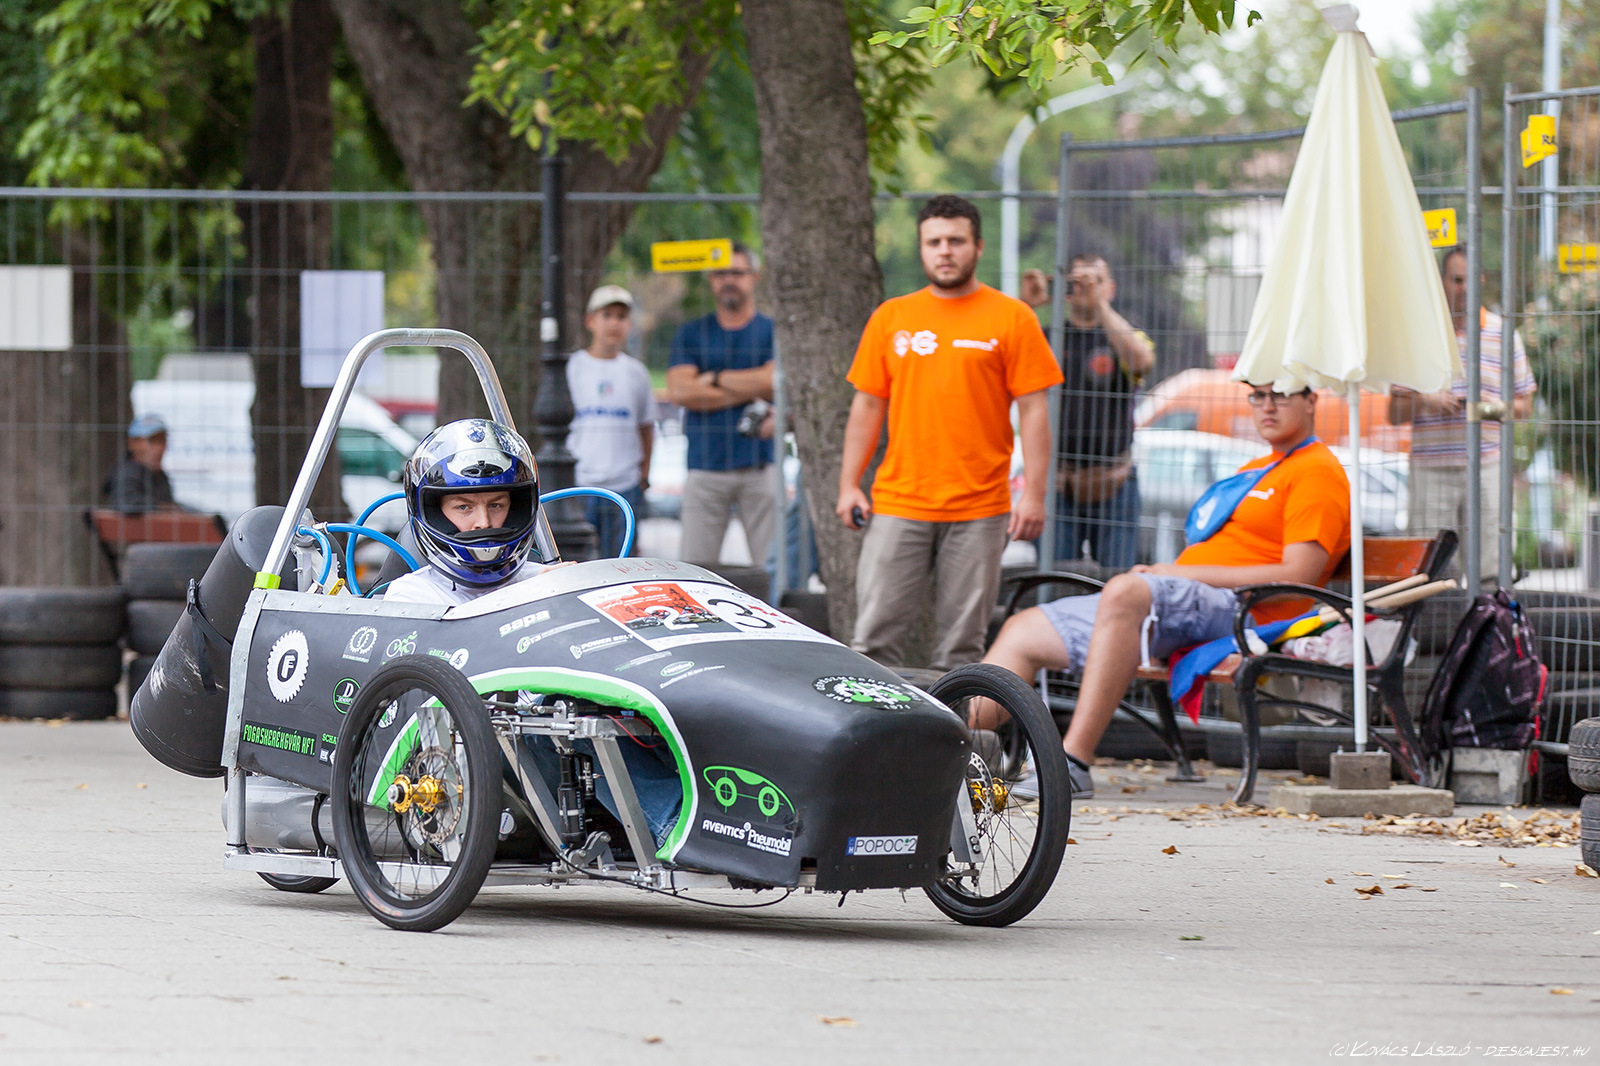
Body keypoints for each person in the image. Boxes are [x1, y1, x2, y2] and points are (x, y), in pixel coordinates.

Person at [976, 380, 1350, 798]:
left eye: (1279, 395)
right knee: (1024, 629)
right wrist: (1169, 576)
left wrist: (1176, 574)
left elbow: (1296, 578)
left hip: (1245, 613)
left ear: (1311, 401)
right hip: (1185, 600)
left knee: (1126, 592)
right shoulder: (1259, 467)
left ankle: (1071, 764)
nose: (1267, 406)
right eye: (1257, 396)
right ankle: (946, 740)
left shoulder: (1317, 470)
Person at [383, 418, 682, 847]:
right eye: (464, 508)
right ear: (433, 511)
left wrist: (573, 594)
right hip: (478, 752)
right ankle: (678, 829)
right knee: (567, 711)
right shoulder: (411, 595)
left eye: (497, 505)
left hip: (556, 737)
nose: (484, 522)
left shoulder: (545, 576)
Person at [837, 194, 1063, 670]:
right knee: (872, 643)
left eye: (956, 241)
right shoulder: (892, 317)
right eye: (934, 242)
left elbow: (1034, 410)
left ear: (978, 247)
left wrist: (1034, 494)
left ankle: (955, 724)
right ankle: (875, 723)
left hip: (980, 507)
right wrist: (848, 484)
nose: (945, 251)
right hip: (899, 503)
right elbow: (868, 404)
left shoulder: (1013, 317)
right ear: (921, 248)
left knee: (961, 652)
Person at [1388, 245, 1535, 581]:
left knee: (1491, 567)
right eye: (1456, 280)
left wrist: (1484, 408)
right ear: (1441, 281)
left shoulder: (1503, 334)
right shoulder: (1419, 335)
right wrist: (1427, 401)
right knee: (1427, 569)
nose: (1465, 288)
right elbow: (1393, 412)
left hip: (1487, 466)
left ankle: (1490, 615)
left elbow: (1524, 406)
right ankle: (1432, 618)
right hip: (1431, 468)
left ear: (1482, 281)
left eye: (1471, 280)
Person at [1020, 256, 1156, 568]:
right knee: (1054, 580)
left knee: (1117, 579)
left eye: (1096, 280)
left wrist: (1101, 307)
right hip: (1057, 483)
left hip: (1114, 482)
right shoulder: (1046, 336)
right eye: (1078, 281)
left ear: (1111, 288)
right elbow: (999, 350)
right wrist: (1026, 307)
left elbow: (1142, 361)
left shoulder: (1126, 335)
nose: (1086, 287)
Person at [665, 243, 776, 567]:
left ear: (754, 277)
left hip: (760, 466)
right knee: (694, 569)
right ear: (711, 280)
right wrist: (751, 388)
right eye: (720, 273)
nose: (729, 280)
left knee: (773, 567)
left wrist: (713, 378)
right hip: (705, 468)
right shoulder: (692, 333)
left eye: (737, 273)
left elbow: (774, 381)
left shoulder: (771, 331)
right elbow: (679, 391)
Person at [566, 284, 655, 558]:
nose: (614, 323)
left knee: (621, 565)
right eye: (607, 315)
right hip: (581, 484)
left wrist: (643, 475)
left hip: (624, 486)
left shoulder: (636, 372)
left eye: (621, 316)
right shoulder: (572, 367)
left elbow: (646, 427)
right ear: (591, 320)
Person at [102, 414, 178, 513]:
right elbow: (127, 503)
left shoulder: (159, 476)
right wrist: (164, 508)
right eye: (152, 441)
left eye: (162, 440)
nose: (158, 448)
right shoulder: (127, 472)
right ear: (133, 443)